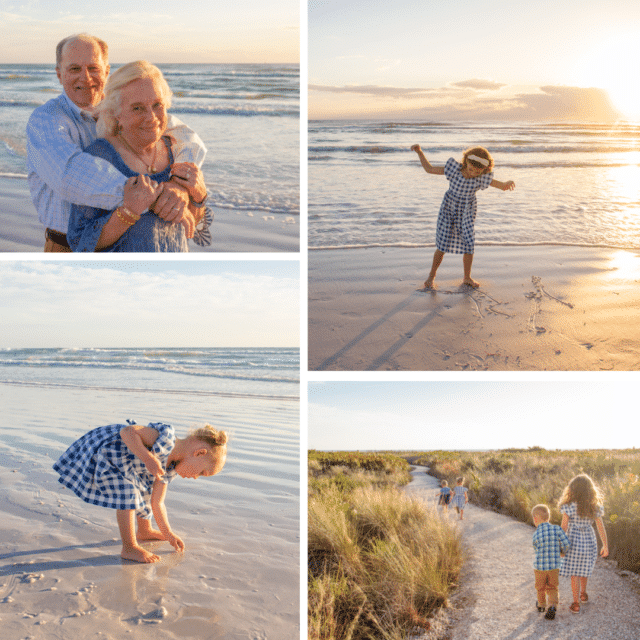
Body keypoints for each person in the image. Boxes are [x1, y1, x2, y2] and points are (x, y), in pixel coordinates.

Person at [26, 33, 207, 252]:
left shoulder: (123, 106)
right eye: (74, 69)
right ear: (59, 73)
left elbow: (184, 134)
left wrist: (180, 184)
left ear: (106, 71)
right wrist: (152, 197)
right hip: (67, 247)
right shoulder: (45, 120)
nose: (85, 77)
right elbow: (69, 176)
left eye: (93, 68)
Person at [67, 60, 210, 252]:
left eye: (157, 105)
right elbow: (80, 243)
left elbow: (191, 225)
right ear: (116, 113)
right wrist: (129, 212)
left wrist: (198, 196)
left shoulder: (177, 152)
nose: (151, 117)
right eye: (137, 108)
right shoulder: (99, 157)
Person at [53, 422, 228, 563]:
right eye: (201, 473)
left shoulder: (170, 469)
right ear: (199, 453)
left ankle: (144, 530)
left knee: (144, 492)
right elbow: (127, 431)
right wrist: (148, 457)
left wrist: (168, 534)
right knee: (128, 493)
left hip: (128, 468)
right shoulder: (164, 440)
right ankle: (129, 547)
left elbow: (157, 503)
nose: (196, 478)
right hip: (108, 451)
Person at [410, 145, 515, 289]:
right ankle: (431, 276)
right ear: (466, 162)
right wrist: (419, 152)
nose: (473, 173)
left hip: (467, 211)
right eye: (471, 169)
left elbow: (501, 185)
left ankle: (467, 277)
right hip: (448, 209)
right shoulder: (454, 170)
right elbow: (429, 169)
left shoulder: (481, 178)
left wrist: (507, 183)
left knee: (469, 243)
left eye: (478, 171)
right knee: (442, 244)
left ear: (485, 169)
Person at [558, 474, 609, 614]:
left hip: (573, 541)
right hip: (588, 541)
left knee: (574, 572)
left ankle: (575, 603)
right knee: (584, 568)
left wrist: (560, 545)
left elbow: (563, 527)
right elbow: (600, 527)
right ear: (590, 490)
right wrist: (605, 545)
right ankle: (583, 594)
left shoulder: (568, 507)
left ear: (572, 490)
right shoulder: (594, 507)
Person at [531, 504, 571, 620]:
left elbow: (536, 549)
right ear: (548, 517)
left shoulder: (536, 534)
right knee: (552, 587)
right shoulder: (557, 529)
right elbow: (566, 543)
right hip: (554, 566)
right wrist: (562, 552)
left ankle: (541, 605)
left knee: (540, 587)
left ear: (535, 519)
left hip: (540, 567)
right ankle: (552, 606)